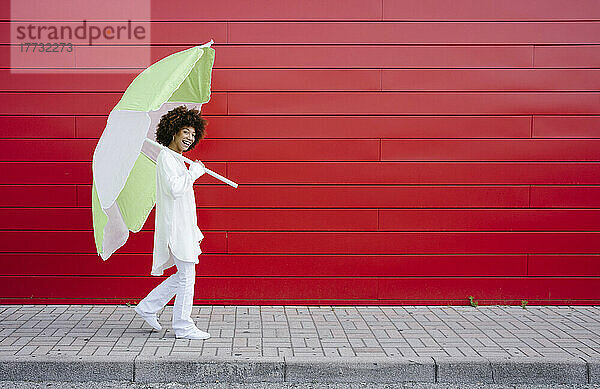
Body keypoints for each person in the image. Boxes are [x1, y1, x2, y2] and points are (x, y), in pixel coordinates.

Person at [133, 105, 210, 340]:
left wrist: (189, 170)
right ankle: (183, 326)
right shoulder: (167, 157)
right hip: (176, 230)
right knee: (187, 276)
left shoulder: (176, 160)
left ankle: (148, 306)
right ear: (174, 130)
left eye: (193, 133)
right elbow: (176, 189)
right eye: (186, 131)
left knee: (184, 275)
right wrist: (194, 173)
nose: (190, 137)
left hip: (185, 228)